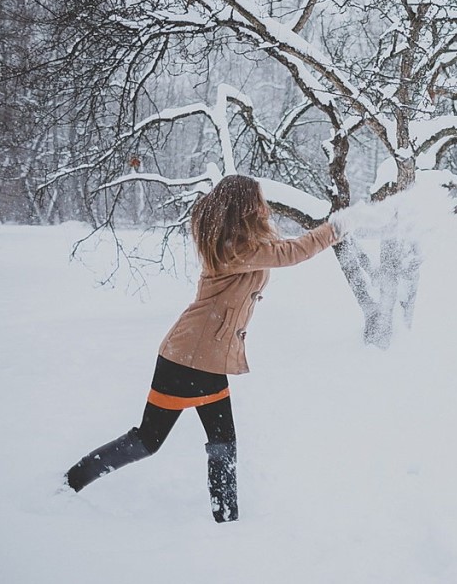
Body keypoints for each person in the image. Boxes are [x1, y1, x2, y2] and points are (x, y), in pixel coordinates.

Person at [64, 174, 341, 522]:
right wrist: (335, 228)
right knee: (154, 439)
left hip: (199, 359)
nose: (263, 206)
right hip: (188, 360)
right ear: (244, 206)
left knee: (210, 440)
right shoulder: (233, 247)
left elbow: (278, 249)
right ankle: (72, 481)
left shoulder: (238, 242)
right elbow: (291, 252)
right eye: (257, 200)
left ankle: (225, 518)